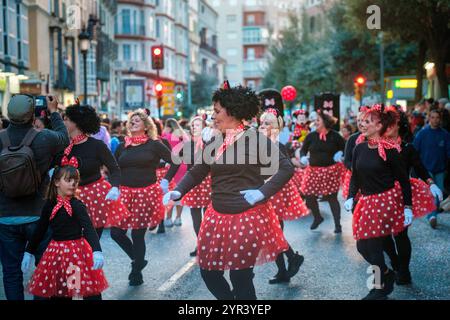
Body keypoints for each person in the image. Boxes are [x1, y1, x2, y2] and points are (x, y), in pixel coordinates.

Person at [164, 84, 294, 300]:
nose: (212, 116)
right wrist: (177, 191)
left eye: (216, 111)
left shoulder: (256, 139)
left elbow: (286, 167)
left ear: (232, 111)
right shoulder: (216, 140)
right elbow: (198, 170)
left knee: (240, 278)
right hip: (216, 216)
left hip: (247, 216)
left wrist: (262, 192)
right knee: (208, 272)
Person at [0, 95, 69, 300]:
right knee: (44, 270)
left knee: (11, 272)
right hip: (37, 216)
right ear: (33, 115)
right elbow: (64, 139)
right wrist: (54, 112)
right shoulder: (44, 138)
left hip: (5, 216)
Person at [344, 105, 413, 300]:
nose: (362, 125)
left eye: (367, 122)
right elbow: (355, 177)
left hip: (384, 201)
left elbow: (403, 180)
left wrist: (407, 207)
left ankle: (378, 288)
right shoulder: (359, 148)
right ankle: (388, 273)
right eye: (362, 121)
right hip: (366, 202)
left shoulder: (390, 151)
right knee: (362, 247)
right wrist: (350, 196)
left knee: (373, 247)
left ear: (380, 125)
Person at [21, 162, 108, 300]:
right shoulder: (49, 205)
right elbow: (40, 230)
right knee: (61, 293)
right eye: (68, 180)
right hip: (57, 255)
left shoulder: (77, 205)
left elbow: (89, 228)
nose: (73, 184)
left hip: (77, 253)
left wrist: (96, 250)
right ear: (56, 182)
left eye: (75, 181)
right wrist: (28, 251)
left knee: (87, 292)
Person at [112, 109, 179, 286]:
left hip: (145, 194)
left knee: (137, 234)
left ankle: (136, 272)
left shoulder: (154, 144)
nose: (133, 122)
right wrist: (114, 186)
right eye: (131, 120)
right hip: (125, 194)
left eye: (137, 120)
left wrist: (165, 181)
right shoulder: (122, 145)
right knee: (116, 232)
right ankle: (138, 259)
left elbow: (175, 161)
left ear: (146, 126)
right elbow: (113, 168)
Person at [382, 107, 441, 285]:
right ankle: (395, 261)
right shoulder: (377, 146)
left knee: (400, 235)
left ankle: (404, 271)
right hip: (381, 195)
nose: (387, 127)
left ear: (399, 126)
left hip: (402, 195)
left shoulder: (407, 148)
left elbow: (420, 168)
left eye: (391, 124)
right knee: (383, 235)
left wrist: (431, 183)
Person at [61, 104, 129, 238]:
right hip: (69, 198)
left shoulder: (97, 145)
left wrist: (115, 187)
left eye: (66, 119)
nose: (64, 122)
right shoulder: (65, 146)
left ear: (76, 122)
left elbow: (114, 169)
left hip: (95, 198)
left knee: (90, 242)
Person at [258, 105, 307, 285]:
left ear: (276, 127)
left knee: (273, 230)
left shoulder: (277, 145)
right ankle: (286, 266)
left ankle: (289, 262)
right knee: (272, 231)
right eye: (262, 122)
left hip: (275, 192)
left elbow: (286, 170)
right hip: (264, 191)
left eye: (267, 123)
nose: (263, 125)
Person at [300, 111, 346, 233]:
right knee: (309, 195)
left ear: (325, 122)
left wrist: (341, 153)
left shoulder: (335, 136)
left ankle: (337, 224)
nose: (315, 122)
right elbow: (303, 150)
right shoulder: (311, 136)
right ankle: (317, 217)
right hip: (313, 171)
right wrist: (303, 157)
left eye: (318, 120)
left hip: (330, 171)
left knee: (332, 198)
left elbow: (346, 147)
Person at [179, 116, 212, 256]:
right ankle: (201, 244)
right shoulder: (187, 143)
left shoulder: (209, 142)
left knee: (209, 215)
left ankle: (210, 243)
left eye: (197, 124)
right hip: (193, 182)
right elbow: (178, 158)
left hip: (207, 180)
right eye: (192, 125)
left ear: (204, 126)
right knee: (195, 215)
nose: (194, 127)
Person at [413, 109, 450, 228]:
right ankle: (432, 215)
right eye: (432, 117)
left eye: (437, 118)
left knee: (438, 193)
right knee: (431, 193)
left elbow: (449, 152)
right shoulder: (422, 133)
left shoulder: (445, 134)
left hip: (440, 168)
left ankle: (432, 214)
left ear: (440, 119)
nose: (435, 120)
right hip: (426, 169)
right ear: (429, 118)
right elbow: (414, 151)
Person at [162, 118, 189, 227]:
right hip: (183, 164)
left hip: (171, 165)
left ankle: (168, 218)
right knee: (180, 192)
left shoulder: (165, 136)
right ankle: (178, 218)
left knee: (170, 192)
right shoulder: (183, 136)